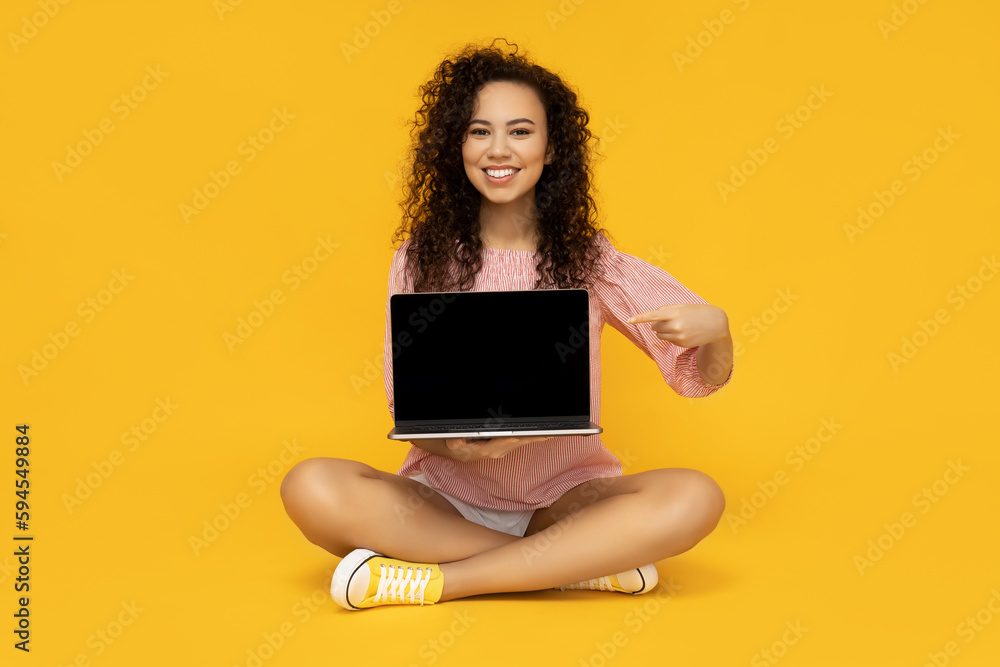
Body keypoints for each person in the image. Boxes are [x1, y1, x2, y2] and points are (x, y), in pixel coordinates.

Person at [280, 38, 734, 611]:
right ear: (457, 145)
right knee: (310, 486)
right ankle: (575, 567)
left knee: (695, 496)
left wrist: (719, 332)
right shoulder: (422, 257)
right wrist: (458, 449)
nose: (499, 149)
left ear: (551, 146)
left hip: (565, 505)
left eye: (520, 131)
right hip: (444, 503)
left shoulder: (589, 258)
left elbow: (697, 376)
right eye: (479, 131)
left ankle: (447, 581)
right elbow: (409, 411)